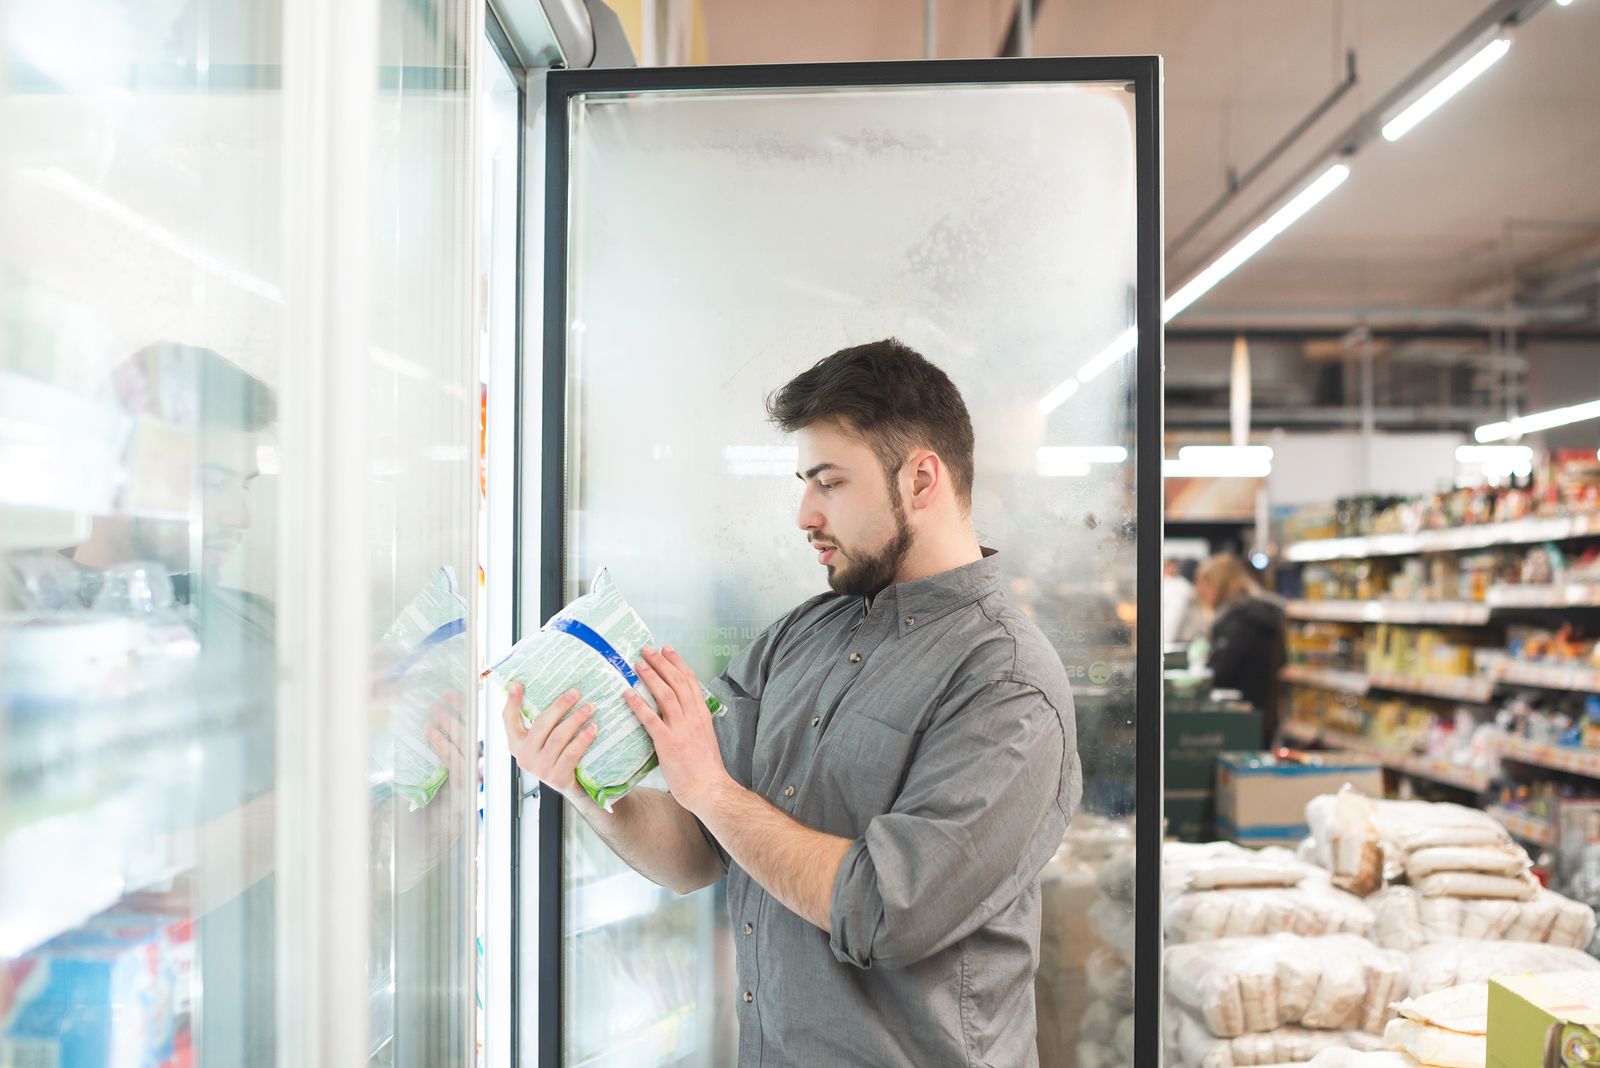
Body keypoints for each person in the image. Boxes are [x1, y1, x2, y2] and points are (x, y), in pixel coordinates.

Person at [504, 338, 1081, 1067]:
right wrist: (586, 785)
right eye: (804, 483)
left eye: (830, 482)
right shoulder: (797, 639)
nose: (805, 514)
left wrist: (710, 788)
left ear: (923, 481)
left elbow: (883, 911)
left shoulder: (1005, 683)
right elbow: (694, 854)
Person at [1196, 552, 1287, 741]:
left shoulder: (1240, 620)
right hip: (1265, 713)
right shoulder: (1262, 614)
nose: (1202, 595)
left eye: (1204, 587)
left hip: (1239, 718)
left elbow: (1221, 671)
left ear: (1218, 585)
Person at [1162, 557, 1206, 646]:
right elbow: (1171, 625)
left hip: (1183, 644)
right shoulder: (1180, 593)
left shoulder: (1183, 591)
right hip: (1178, 647)